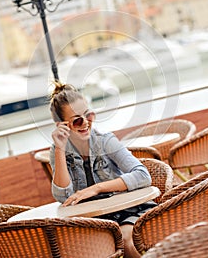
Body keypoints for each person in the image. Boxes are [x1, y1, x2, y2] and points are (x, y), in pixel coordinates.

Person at [49, 82, 157, 258]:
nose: (85, 123)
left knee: (125, 242)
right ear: (62, 125)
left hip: (130, 211)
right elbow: (63, 196)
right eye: (77, 120)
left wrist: (96, 188)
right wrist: (60, 149)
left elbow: (143, 175)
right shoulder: (58, 150)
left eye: (88, 115)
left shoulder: (105, 141)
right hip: (97, 221)